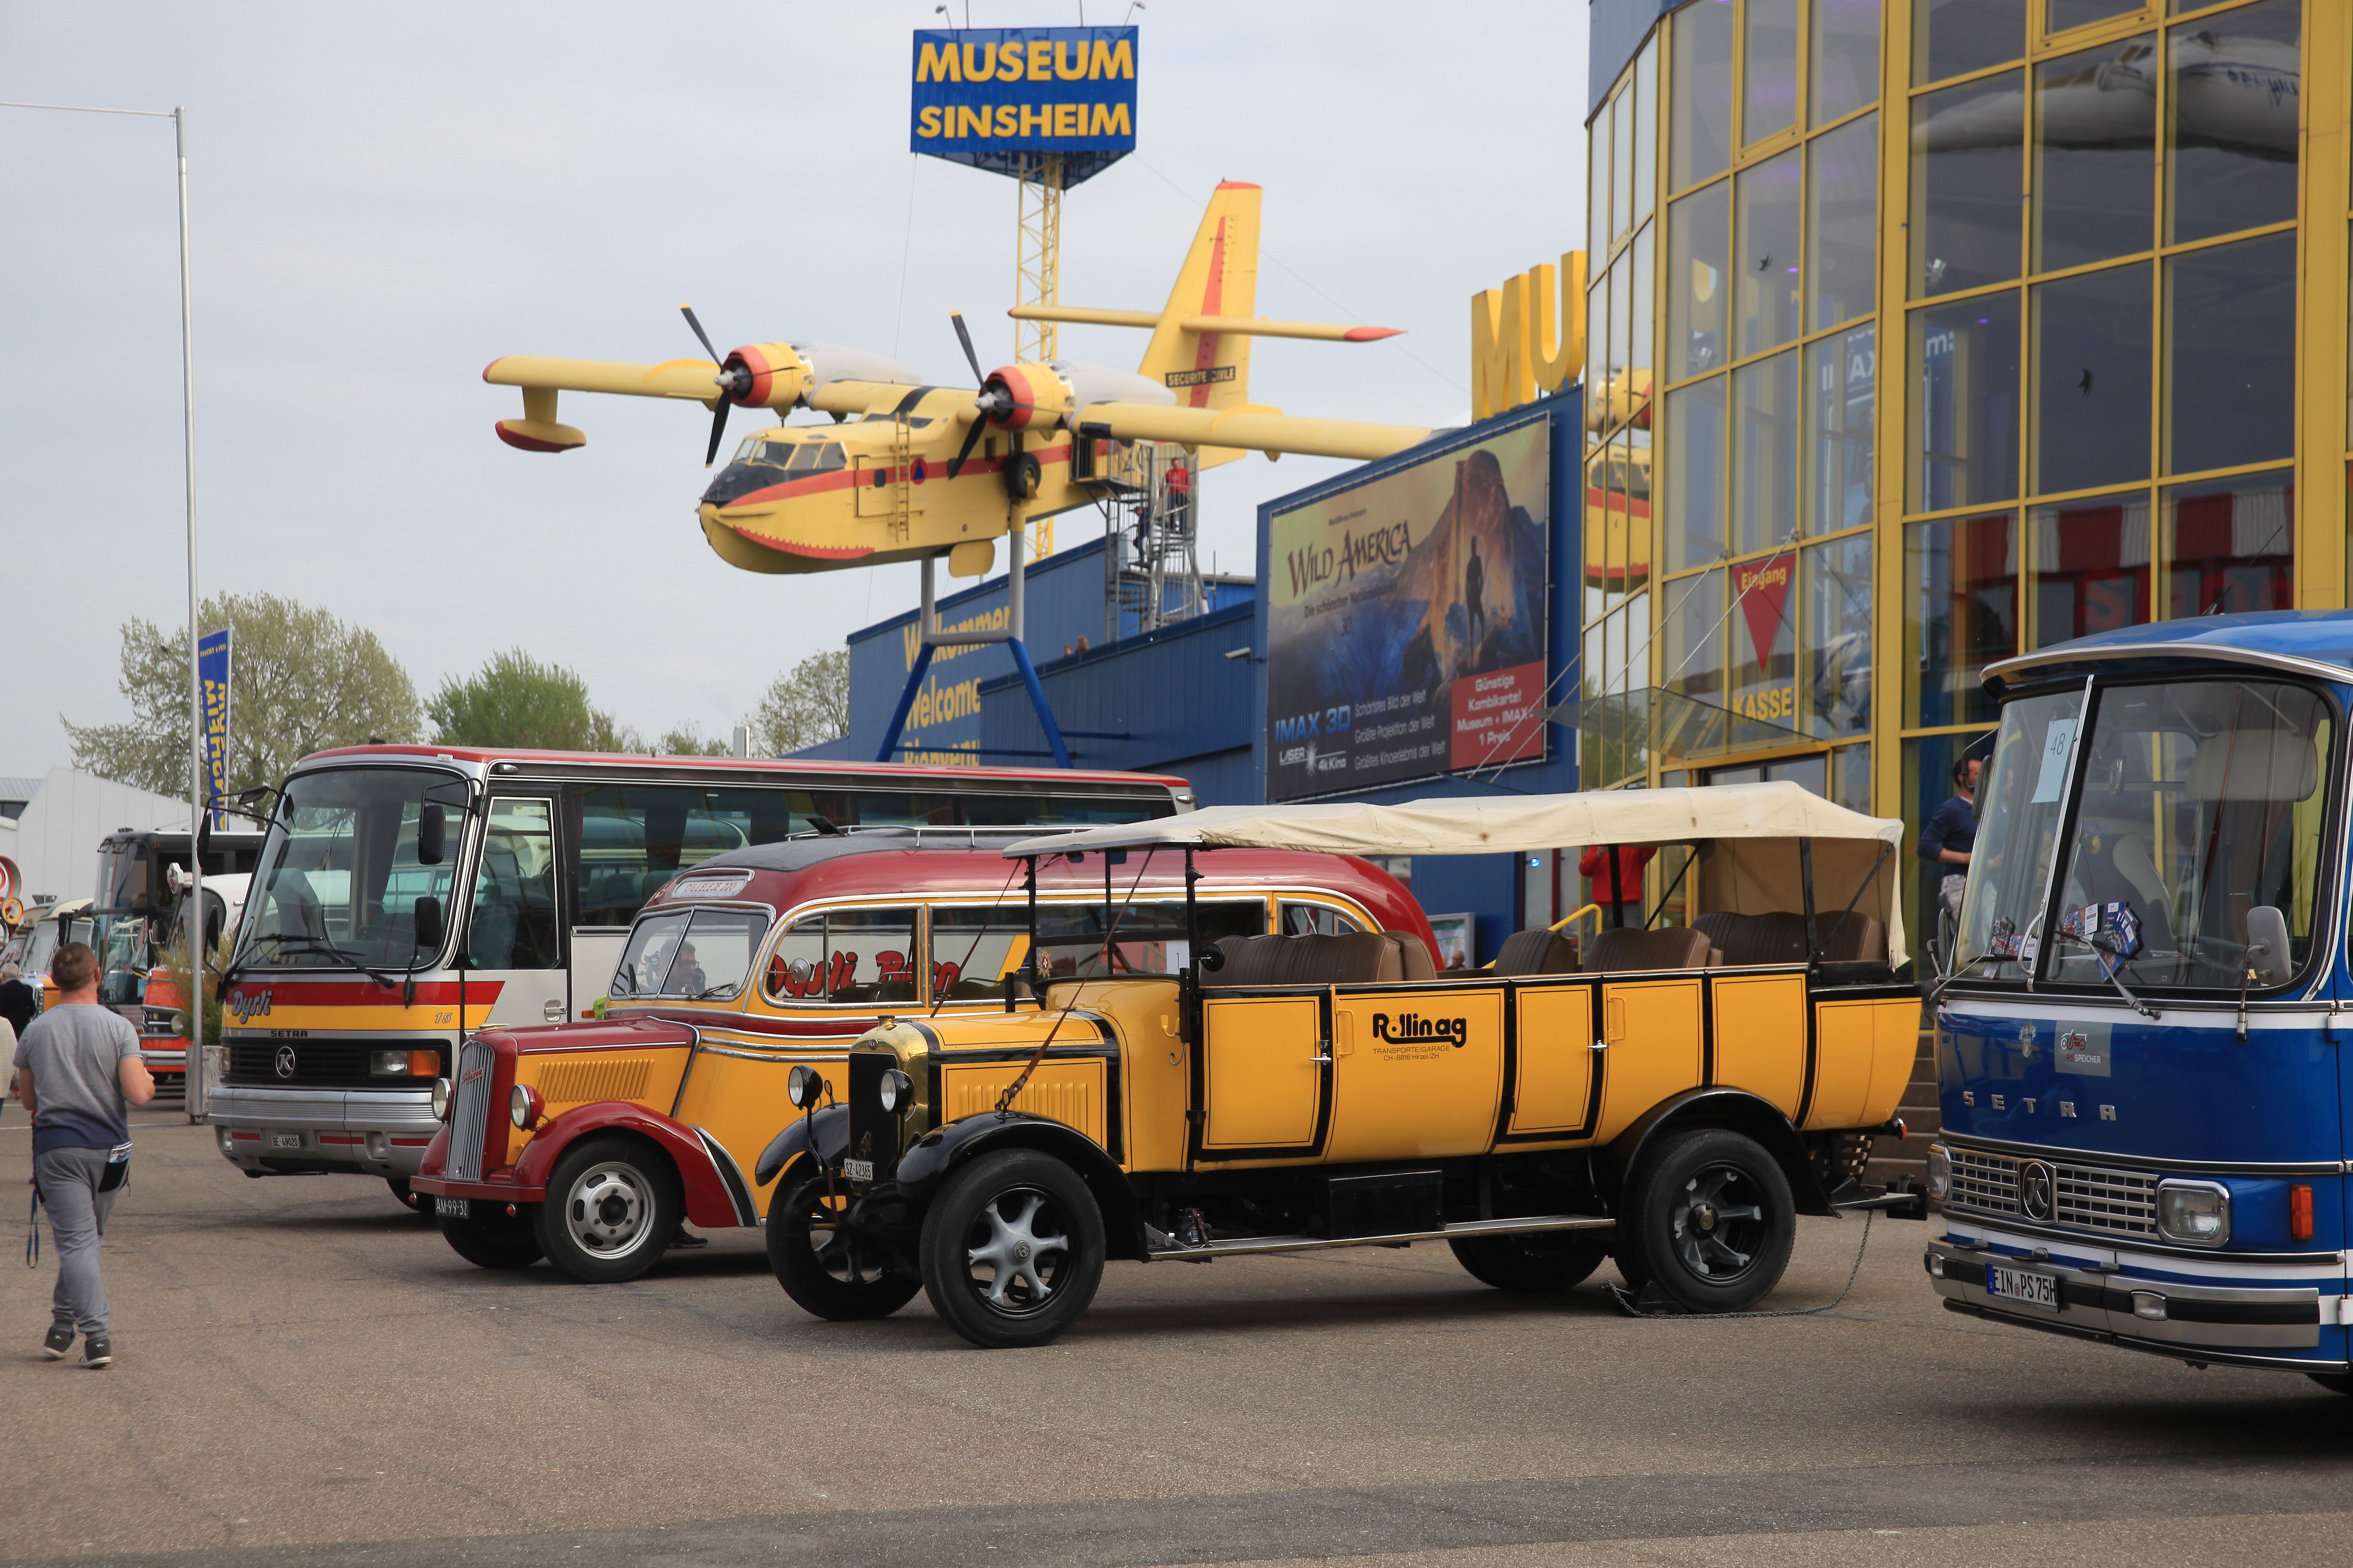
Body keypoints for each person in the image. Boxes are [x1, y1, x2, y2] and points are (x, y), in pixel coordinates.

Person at [12, 941, 152, 1369]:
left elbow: (29, 1100)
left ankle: (95, 1335)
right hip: (110, 1152)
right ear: (97, 976)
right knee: (84, 1241)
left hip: (58, 1150)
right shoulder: (118, 1029)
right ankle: (62, 1327)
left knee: (78, 1243)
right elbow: (137, 1093)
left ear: (55, 980)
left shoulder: (36, 1031)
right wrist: (147, 1078)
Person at [1919, 754, 1982, 929]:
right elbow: (1925, 847)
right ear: (1963, 778)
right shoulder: (1951, 809)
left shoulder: (1988, 808)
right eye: (1978, 774)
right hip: (1959, 883)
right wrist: (1966, 858)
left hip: (1985, 882)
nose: (1984, 778)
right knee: (1969, 935)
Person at [1579, 843, 1657, 927]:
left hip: (1628, 906)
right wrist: (1598, 855)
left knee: (1628, 938)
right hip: (1601, 906)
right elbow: (1585, 870)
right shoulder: (1600, 843)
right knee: (1596, 938)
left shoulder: (1634, 843)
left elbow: (1651, 847)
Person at [0, 960, 33, 1040]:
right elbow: (33, 1010)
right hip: (23, 1032)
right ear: (18, 975)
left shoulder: (2, 991)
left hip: (6, 1032)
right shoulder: (27, 989)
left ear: (3, 975)